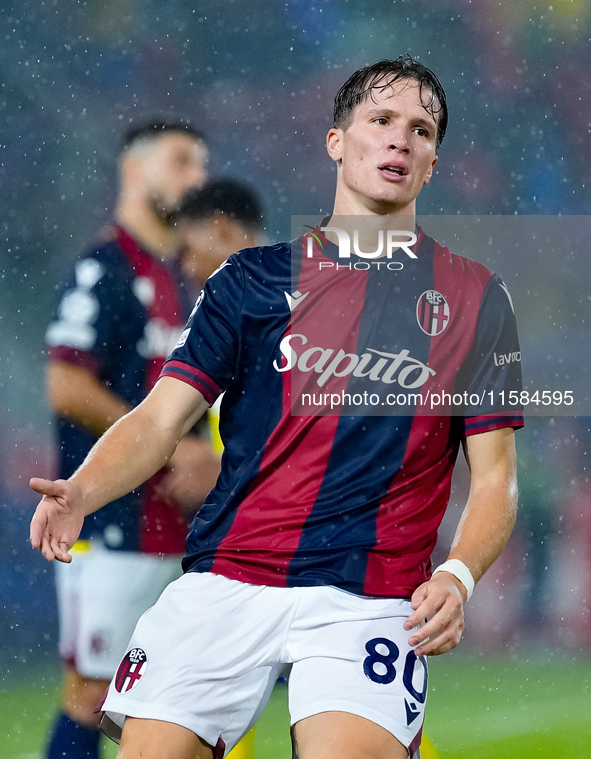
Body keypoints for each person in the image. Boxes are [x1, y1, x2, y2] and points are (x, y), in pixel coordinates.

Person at [31, 58, 523, 759]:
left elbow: (496, 477)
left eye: (419, 130)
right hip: (225, 579)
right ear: (336, 142)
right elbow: (159, 419)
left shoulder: (475, 298)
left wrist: (457, 575)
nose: (399, 141)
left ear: (431, 161)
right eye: (380, 121)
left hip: (369, 596)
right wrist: (83, 488)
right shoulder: (249, 282)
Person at [41, 120, 221, 759]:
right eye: (182, 162)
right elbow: (66, 385)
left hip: (176, 525)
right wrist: (169, 445)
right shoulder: (105, 268)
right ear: (135, 170)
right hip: (112, 523)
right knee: (94, 696)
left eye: (202, 166)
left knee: (171, 702)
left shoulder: (185, 278)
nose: (197, 179)